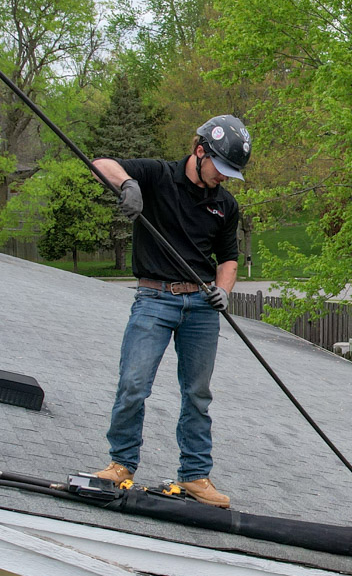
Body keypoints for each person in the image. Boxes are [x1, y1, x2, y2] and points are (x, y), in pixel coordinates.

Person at [91, 115, 251, 509]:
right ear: (200, 151)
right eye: (222, 168)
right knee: (134, 383)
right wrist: (127, 184)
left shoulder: (225, 205)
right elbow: (100, 164)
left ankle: (196, 476)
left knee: (197, 394)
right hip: (154, 299)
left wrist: (224, 292)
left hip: (201, 306)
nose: (225, 178)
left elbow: (228, 259)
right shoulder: (157, 175)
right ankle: (121, 465)